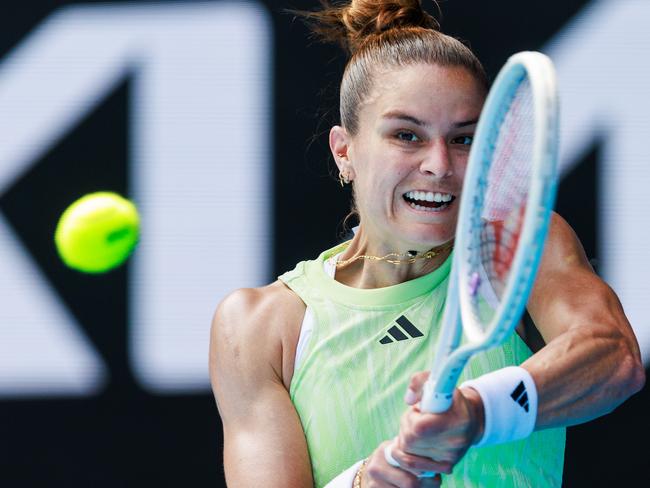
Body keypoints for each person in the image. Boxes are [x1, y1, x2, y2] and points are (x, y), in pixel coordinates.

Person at [209, 1, 645, 486]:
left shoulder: (515, 250)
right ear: (344, 150)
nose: (439, 164)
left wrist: (477, 412)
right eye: (407, 135)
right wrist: (366, 480)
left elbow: (614, 357)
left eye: (463, 140)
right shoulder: (261, 326)